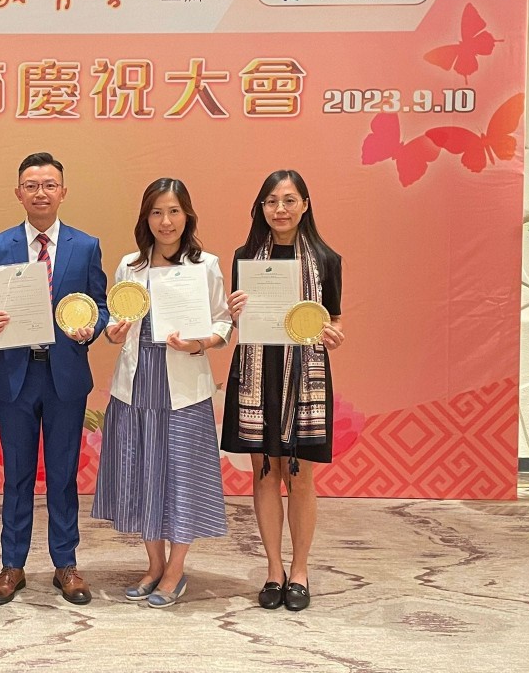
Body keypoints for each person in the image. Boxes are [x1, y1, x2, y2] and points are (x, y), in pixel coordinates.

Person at [0, 151, 108, 606]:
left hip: (65, 375)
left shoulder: (85, 246)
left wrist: (93, 327)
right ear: (18, 193)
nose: (41, 193)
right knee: (17, 474)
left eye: (49, 185)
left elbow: (100, 304)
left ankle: (65, 564)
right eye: (31, 185)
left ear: (63, 192)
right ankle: (12, 565)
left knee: (64, 474)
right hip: (16, 375)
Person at [92, 178, 233, 608]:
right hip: (135, 387)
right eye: (156, 212)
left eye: (173, 211)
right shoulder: (129, 266)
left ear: (187, 215)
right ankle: (153, 565)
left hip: (184, 389)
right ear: (145, 218)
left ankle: (175, 569)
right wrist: (113, 332)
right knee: (142, 474)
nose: (165, 221)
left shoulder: (205, 265)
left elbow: (223, 321)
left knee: (180, 477)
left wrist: (200, 343)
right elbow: (116, 324)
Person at [220, 169, 345, 612]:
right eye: (272, 201)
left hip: (305, 376)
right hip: (258, 372)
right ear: (262, 207)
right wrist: (233, 312)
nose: (280, 209)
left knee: (301, 476)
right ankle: (274, 569)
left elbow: (334, 319)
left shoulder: (327, 259)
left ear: (305, 205)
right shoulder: (245, 258)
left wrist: (333, 334)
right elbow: (240, 322)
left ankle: (300, 570)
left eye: (289, 200)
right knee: (265, 473)